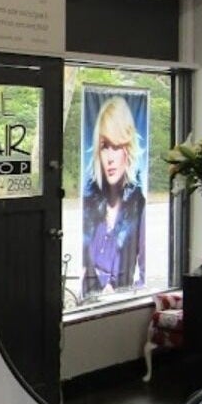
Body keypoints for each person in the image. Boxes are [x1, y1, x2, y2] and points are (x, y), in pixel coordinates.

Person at [81, 95, 147, 298]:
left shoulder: (139, 206)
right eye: (104, 146)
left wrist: (127, 296)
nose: (109, 157)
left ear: (127, 149)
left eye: (116, 146)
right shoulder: (87, 205)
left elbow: (145, 274)